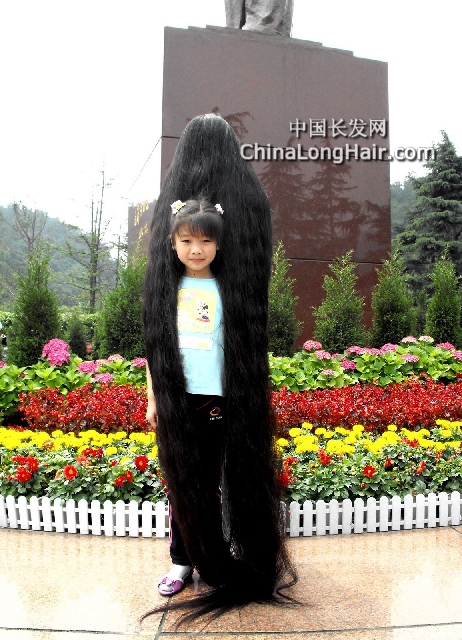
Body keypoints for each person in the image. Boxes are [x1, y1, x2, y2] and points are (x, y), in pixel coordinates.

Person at [142, 114, 297, 626]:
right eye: (186, 242)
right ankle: (183, 561)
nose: (196, 249)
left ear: (218, 244)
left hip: (221, 398)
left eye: (205, 242)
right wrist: (153, 398)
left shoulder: (226, 290)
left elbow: (246, 342)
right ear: (173, 243)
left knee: (213, 477)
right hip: (179, 398)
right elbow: (156, 351)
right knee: (182, 481)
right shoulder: (173, 290)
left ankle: (217, 551)